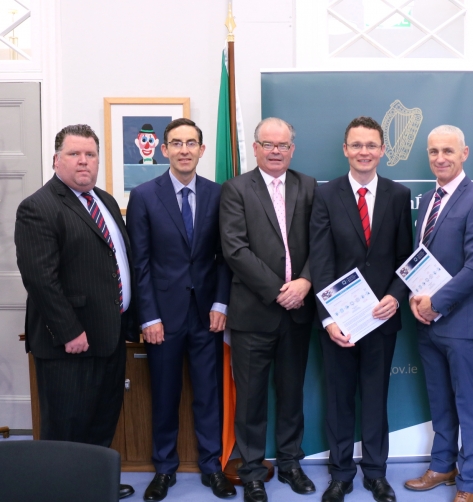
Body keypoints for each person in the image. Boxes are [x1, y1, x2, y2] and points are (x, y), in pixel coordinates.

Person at [15, 124, 137, 499]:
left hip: (111, 336)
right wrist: (69, 331)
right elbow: (40, 279)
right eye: (74, 154)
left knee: (102, 422)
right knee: (66, 430)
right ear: (56, 159)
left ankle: (93, 486)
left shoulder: (104, 200)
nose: (83, 161)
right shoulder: (39, 206)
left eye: (90, 154)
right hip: (71, 343)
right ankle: (63, 492)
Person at [126, 118, 236, 501]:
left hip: (208, 314)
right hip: (163, 317)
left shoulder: (219, 194)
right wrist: (148, 316)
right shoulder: (143, 196)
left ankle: (212, 467)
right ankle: (164, 469)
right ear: (164, 149)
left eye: (192, 143)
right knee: (165, 394)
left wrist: (222, 302)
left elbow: (225, 257)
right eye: (177, 143)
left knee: (208, 395)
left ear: (202, 150)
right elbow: (139, 262)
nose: (184, 149)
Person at [310, 116, 412, 502]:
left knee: (375, 398)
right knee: (338, 399)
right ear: (345, 149)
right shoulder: (326, 194)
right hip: (340, 322)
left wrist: (396, 295)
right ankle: (340, 473)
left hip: (381, 319)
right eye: (357, 145)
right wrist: (327, 317)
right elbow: (320, 261)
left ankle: (375, 474)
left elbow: (406, 257)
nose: (364, 152)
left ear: (383, 150)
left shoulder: (399, 196)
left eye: (371, 145)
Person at [219, 117, 318, 502]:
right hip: (254, 311)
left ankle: (291, 463)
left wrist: (305, 283)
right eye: (268, 145)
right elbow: (234, 249)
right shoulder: (235, 189)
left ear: (292, 149)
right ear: (256, 148)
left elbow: (319, 242)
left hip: (299, 310)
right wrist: (279, 290)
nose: (276, 152)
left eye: (283, 145)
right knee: (252, 398)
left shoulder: (308, 186)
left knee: (292, 394)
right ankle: (253, 470)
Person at [405, 125, 473, 502]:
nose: (440, 158)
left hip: (461, 324)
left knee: (468, 406)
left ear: (464, 153)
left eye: (447, 151)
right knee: (439, 401)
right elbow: (420, 262)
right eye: (433, 151)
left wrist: (435, 303)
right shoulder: (427, 199)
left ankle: (469, 483)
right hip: (426, 323)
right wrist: (415, 298)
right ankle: (442, 466)